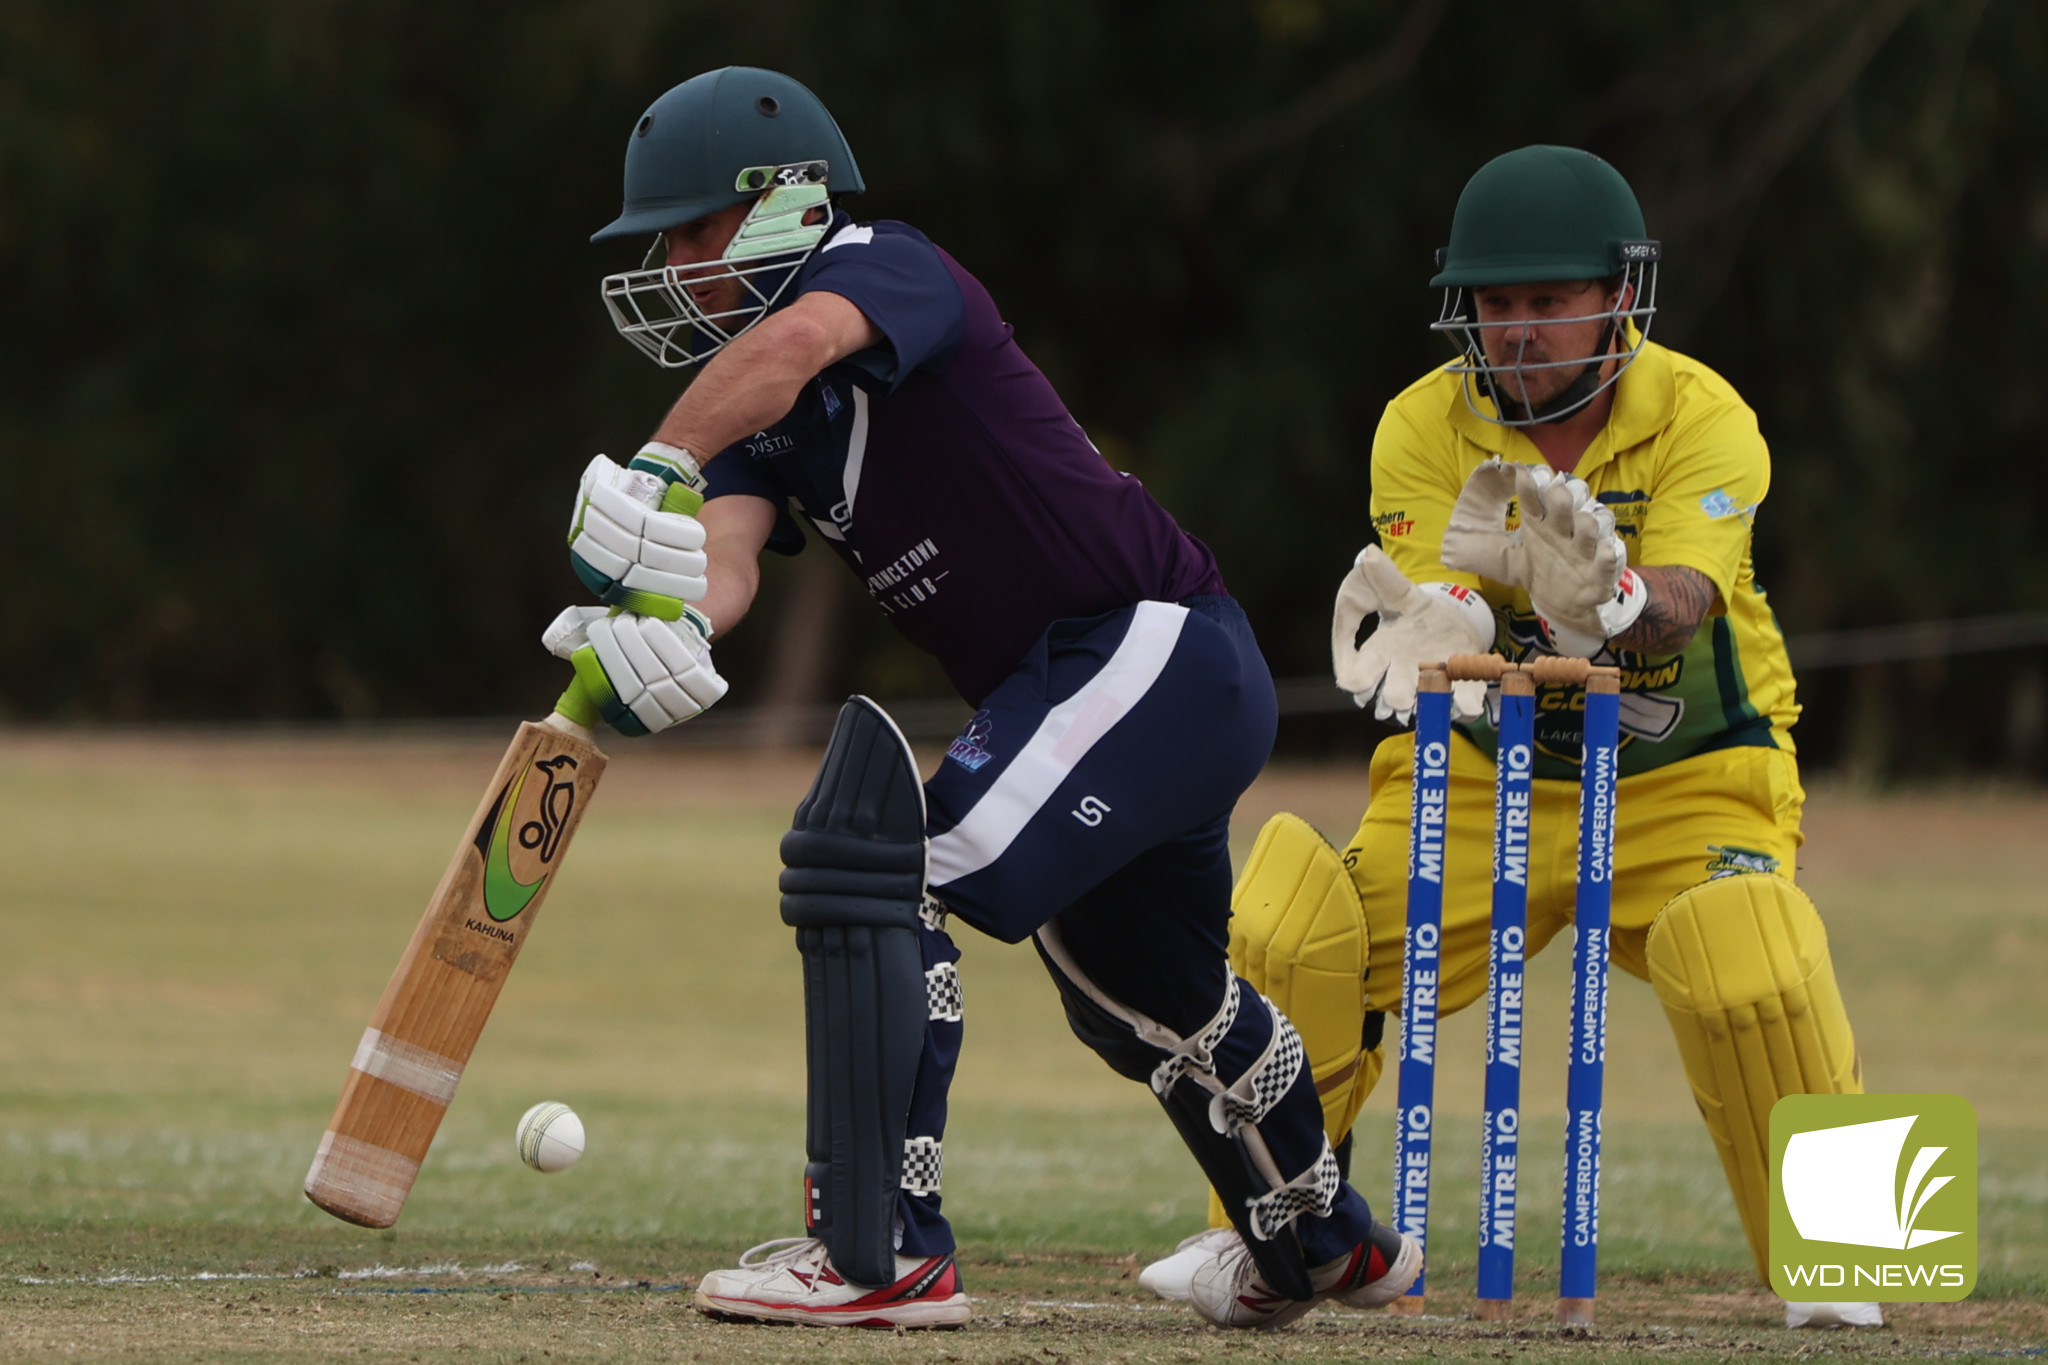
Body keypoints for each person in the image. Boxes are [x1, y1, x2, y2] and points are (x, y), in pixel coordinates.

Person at [545, 66, 1422, 1332]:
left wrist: (655, 459)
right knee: (1147, 1004)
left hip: (1149, 647)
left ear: (783, 204)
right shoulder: (751, 418)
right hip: (1093, 690)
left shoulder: (887, 266)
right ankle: (1323, 1245)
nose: (674, 266)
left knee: (884, 871)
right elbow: (723, 564)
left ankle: (876, 1252)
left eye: (691, 232)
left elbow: (796, 345)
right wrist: (654, 630)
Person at [1138, 145, 1877, 1331]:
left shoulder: (1704, 412)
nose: (1519, 329)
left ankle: (1856, 1258)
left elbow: (1690, 590)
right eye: (1496, 303)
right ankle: (1267, 1240)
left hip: (1687, 772)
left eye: (1548, 300)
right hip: (1478, 774)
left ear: (1618, 295)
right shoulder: (1417, 424)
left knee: (1751, 952)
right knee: (1287, 923)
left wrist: (1625, 601)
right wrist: (1457, 613)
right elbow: (1450, 597)